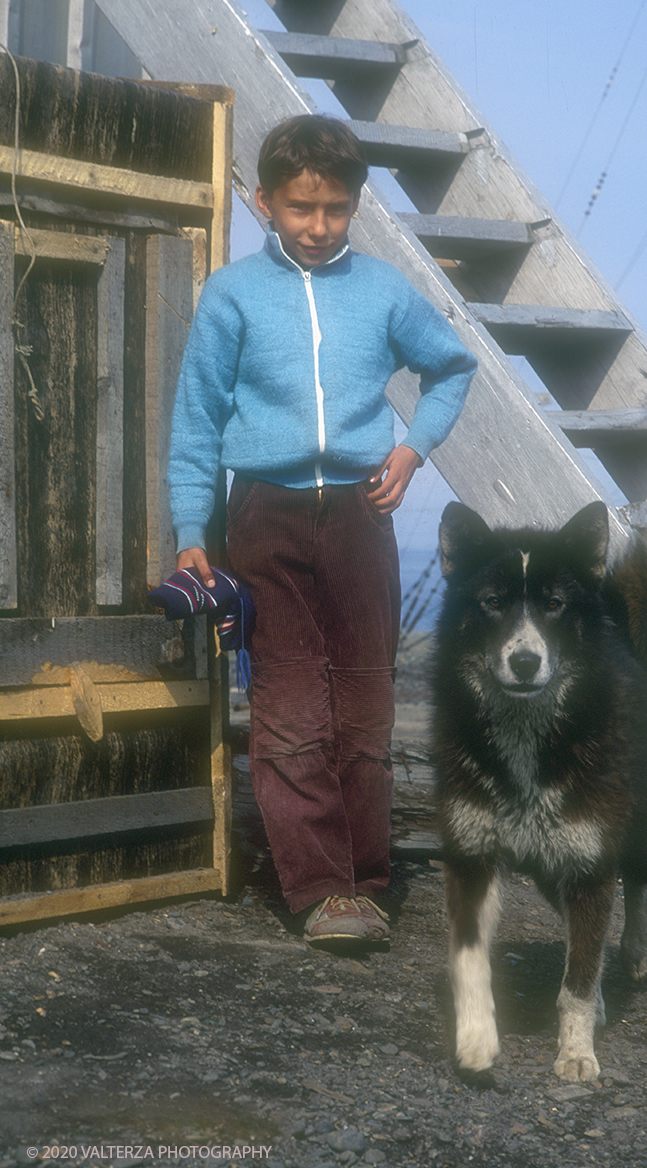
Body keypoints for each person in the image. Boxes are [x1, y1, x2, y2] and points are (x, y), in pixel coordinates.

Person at [168, 114, 476, 946]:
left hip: (359, 514)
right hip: (261, 514)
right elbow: (196, 421)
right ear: (263, 201)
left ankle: (363, 881)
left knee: (366, 699)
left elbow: (452, 368)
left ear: (354, 207)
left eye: (335, 210)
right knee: (292, 698)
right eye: (301, 208)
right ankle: (317, 889)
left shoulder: (380, 291)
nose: (317, 227)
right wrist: (192, 528)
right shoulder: (232, 295)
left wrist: (412, 452)